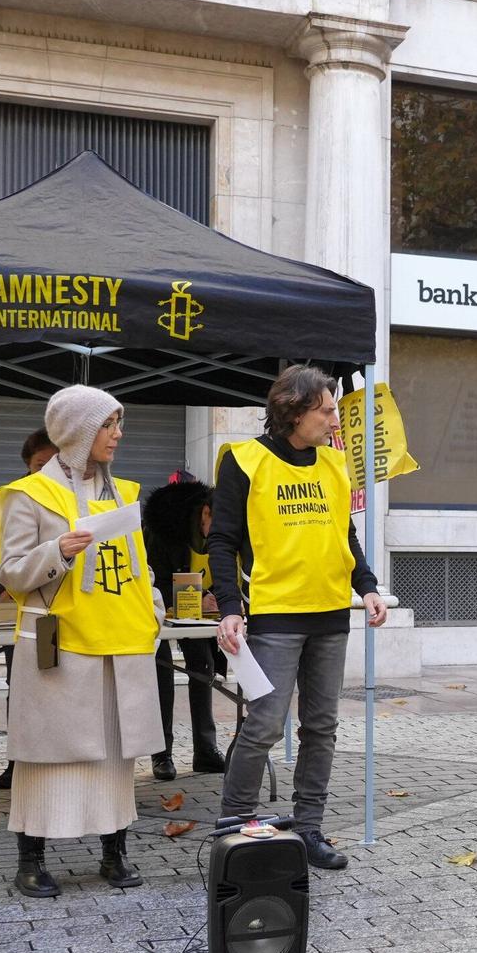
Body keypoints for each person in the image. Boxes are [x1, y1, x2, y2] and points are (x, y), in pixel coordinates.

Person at [209, 365, 386, 871]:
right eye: (327, 410)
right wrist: (228, 606)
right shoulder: (244, 461)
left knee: (322, 726)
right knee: (263, 724)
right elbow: (221, 541)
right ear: (294, 411)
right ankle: (235, 829)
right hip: (275, 614)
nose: (336, 420)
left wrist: (367, 587)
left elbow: (343, 536)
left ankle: (309, 828)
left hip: (330, 612)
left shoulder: (335, 466)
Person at [0, 387, 163, 896]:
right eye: (109, 424)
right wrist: (58, 550)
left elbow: (141, 566)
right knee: (48, 756)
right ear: (79, 432)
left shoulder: (125, 494)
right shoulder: (29, 494)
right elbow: (11, 571)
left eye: (118, 422)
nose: (119, 433)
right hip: (62, 645)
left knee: (116, 754)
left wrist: (153, 611)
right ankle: (32, 861)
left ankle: (114, 855)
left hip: (120, 644)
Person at [0, 429, 56, 791]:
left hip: (64, 612)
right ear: (26, 465)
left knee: (56, 684)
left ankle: (55, 761)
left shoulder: (72, 497)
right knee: (19, 685)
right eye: (39, 465)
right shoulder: (11, 498)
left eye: (53, 464)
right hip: (21, 614)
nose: (45, 471)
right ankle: (17, 761)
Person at [144, 472, 229, 779]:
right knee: (162, 669)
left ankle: (205, 752)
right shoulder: (164, 529)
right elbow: (153, 581)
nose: (216, 535)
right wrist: (194, 598)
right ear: (205, 513)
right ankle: (161, 753)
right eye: (214, 527)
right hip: (155, 610)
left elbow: (224, 573)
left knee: (203, 665)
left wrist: (217, 597)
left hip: (194, 614)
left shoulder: (220, 530)